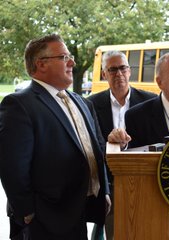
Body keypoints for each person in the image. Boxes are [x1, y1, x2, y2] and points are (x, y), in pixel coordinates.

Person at [0, 34, 110, 240]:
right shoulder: (19, 105)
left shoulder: (82, 102)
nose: (72, 62)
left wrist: (103, 190)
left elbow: (97, 148)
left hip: (82, 211)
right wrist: (27, 211)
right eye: (64, 57)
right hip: (45, 220)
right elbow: (12, 166)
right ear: (41, 64)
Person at [87, 50, 156, 240]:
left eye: (123, 68)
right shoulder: (91, 104)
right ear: (104, 74)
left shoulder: (150, 101)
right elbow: (91, 145)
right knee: (115, 233)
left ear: (130, 71)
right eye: (113, 70)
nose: (119, 74)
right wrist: (109, 142)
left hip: (144, 180)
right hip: (110, 182)